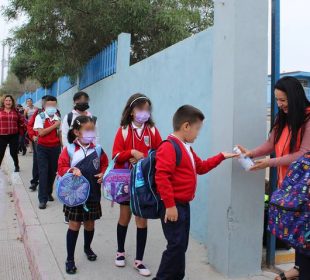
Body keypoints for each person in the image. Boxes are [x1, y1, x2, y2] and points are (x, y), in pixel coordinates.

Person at [238, 76, 310, 280]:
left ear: (295, 97)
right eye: (277, 100)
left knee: (304, 231)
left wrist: (269, 163)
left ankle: (301, 270)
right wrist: (252, 153)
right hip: (288, 186)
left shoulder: (308, 119)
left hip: (304, 189)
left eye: (283, 100)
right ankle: (299, 268)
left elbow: (303, 154)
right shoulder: (282, 118)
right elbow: (271, 144)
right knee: (296, 231)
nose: (280, 104)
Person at [153, 105, 237, 280]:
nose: (198, 133)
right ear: (186, 127)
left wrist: (221, 156)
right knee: (175, 245)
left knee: (180, 245)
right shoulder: (169, 147)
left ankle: (177, 276)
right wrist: (170, 206)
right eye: (197, 129)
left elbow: (201, 167)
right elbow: (162, 177)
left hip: (183, 205)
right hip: (173, 206)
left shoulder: (186, 147)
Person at [112, 93, 162, 276]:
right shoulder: (123, 130)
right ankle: (120, 252)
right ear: (132, 111)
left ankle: (139, 261)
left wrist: (148, 157)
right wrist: (131, 152)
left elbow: (160, 152)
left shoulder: (153, 131)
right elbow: (115, 155)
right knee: (124, 216)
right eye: (141, 109)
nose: (144, 113)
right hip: (126, 181)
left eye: (147, 109)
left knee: (142, 219)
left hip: (145, 183)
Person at [57, 116, 108, 274]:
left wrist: (103, 174)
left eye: (92, 129)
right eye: (87, 129)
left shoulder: (98, 149)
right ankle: (70, 259)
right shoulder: (70, 150)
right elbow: (61, 167)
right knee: (74, 225)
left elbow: (105, 163)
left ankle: (87, 248)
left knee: (90, 224)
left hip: (93, 193)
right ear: (77, 132)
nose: (90, 132)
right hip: (75, 196)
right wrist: (72, 170)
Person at [33, 95, 62, 209]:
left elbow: (59, 133)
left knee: (52, 172)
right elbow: (41, 133)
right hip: (42, 148)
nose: (52, 107)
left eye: (54, 105)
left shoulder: (58, 117)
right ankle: (42, 199)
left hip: (55, 148)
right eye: (49, 105)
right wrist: (55, 125)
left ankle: (48, 192)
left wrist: (63, 147)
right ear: (44, 106)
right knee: (43, 172)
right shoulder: (40, 117)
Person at [27, 95, 60, 191]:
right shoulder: (39, 113)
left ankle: (48, 191)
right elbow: (30, 125)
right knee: (39, 166)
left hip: (54, 146)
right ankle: (34, 182)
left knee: (51, 170)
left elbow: (59, 131)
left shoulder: (57, 114)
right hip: (39, 142)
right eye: (45, 102)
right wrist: (32, 135)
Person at [0, 95, 26, 172]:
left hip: (13, 135)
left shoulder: (16, 112)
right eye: (6, 100)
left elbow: (21, 121)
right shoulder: (0, 111)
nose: (8, 102)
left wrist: (24, 126)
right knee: (0, 153)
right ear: (3, 102)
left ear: (12, 102)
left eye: (10, 100)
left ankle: (16, 165)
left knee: (13, 153)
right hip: (1, 136)